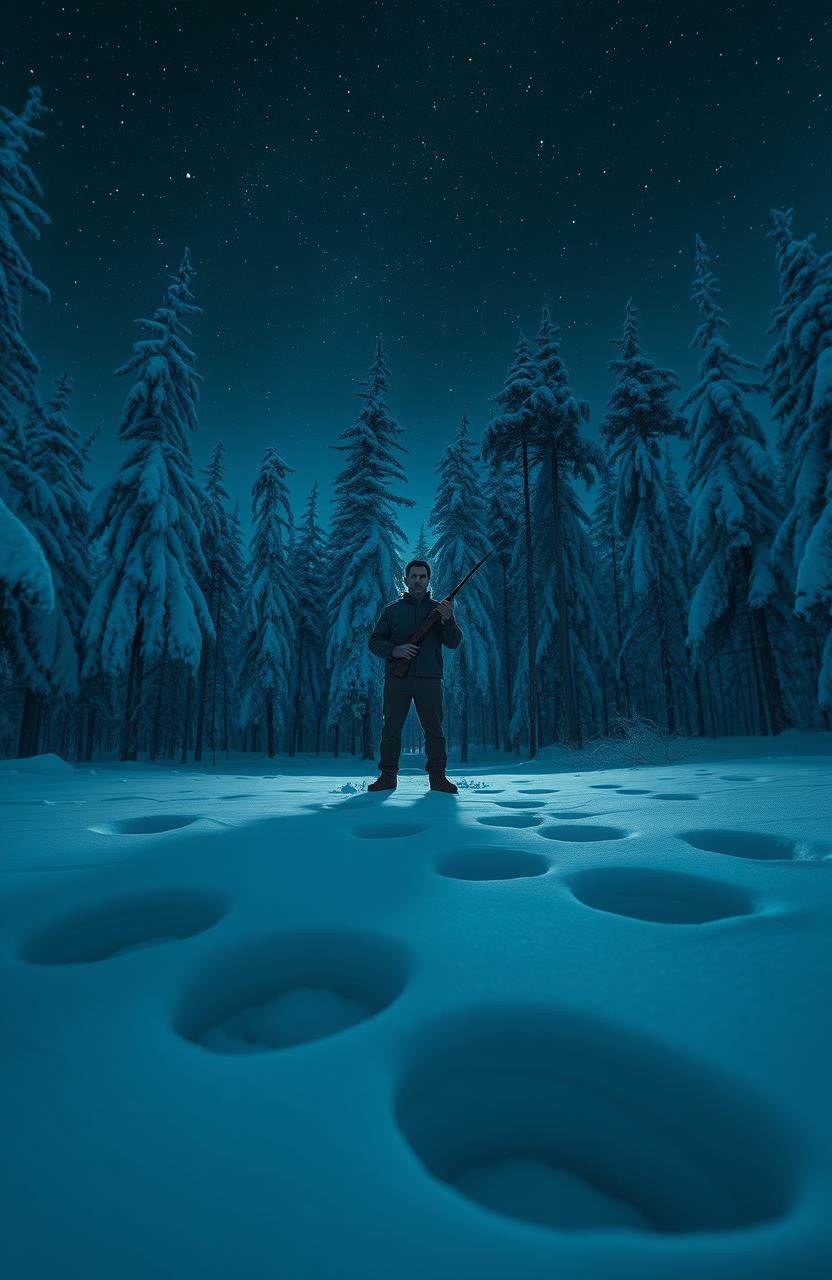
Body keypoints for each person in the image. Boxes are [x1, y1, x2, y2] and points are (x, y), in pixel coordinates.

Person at [367, 559, 462, 793]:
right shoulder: (392, 610)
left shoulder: (440, 610)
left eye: (422, 576)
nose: (418, 580)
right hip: (397, 679)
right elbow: (375, 642)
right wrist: (395, 650)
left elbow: (453, 642)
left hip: (430, 679)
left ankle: (438, 779)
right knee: (391, 729)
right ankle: (387, 777)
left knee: (434, 731)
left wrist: (448, 619)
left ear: (429, 580)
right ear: (405, 580)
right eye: (414, 576)